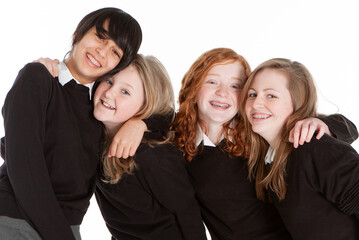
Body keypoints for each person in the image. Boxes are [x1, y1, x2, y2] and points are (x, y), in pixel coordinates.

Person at [170, 48, 358, 240]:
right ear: (194, 86)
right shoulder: (177, 140)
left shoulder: (268, 131)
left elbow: (343, 132)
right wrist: (139, 123)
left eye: (235, 86)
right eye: (212, 82)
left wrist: (325, 125)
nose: (222, 92)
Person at [0, 7, 142, 240]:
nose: (102, 52)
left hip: (67, 228)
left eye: (115, 51)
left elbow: (163, 109)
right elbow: (25, 168)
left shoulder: (103, 106)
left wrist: (141, 123)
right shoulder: (38, 78)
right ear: (79, 33)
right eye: (100, 37)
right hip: (16, 221)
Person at [240, 58, 359, 239]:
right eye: (252, 94)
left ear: (297, 103)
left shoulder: (313, 149)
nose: (256, 104)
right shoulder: (272, 158)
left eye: (271, 95)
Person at [94, 54, 207, 240]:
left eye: (125, 92)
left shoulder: (153, 155)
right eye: (108, 81)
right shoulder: (92, 133)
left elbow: (187, 214)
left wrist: (141, 124)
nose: (109, 93)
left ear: (145, 106)